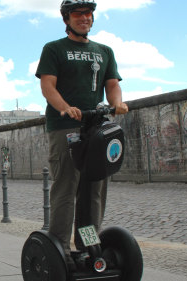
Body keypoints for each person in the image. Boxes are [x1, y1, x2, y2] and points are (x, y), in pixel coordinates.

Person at [35, 0, 129, 269]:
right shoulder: (54, 49)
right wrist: (65, 108)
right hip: (65, 126)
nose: (84, 18)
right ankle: (60, 250)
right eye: (78, 14)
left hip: (96, 126)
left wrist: (117, 102)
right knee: (66, 187)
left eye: (88, 14)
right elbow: (47, 86)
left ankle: (89, 244)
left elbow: (112, 84)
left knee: (95, 189)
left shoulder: (104, 51)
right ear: (67, 19)